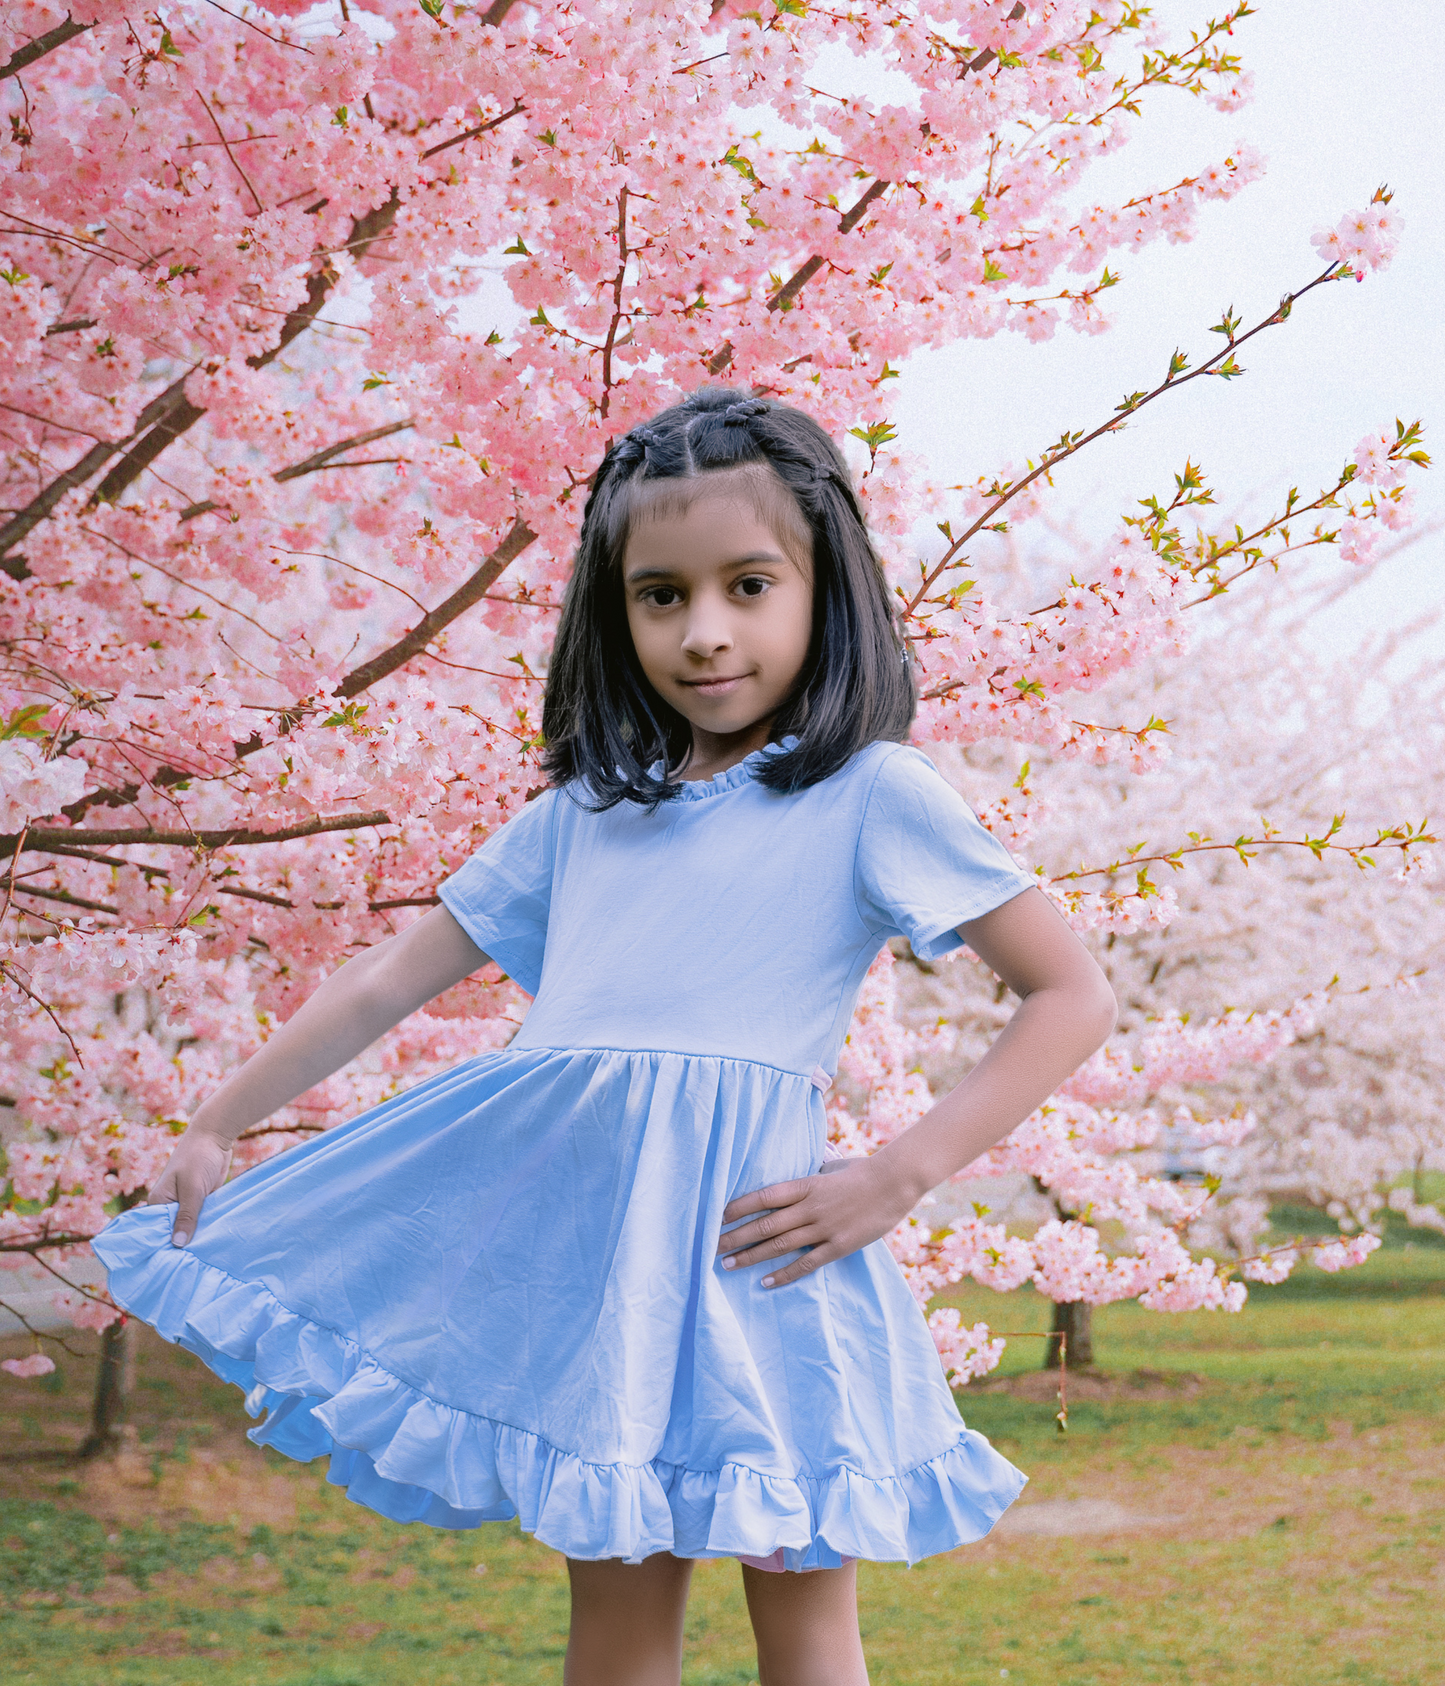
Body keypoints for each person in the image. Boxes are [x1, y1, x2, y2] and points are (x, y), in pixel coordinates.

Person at [94, 387, 1118, 1685]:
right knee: (620, 1629)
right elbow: (384, 979)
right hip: (608, 1285)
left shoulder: (871, 795)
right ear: (612, 608)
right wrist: (216, 1118)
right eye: (660, 594)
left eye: (750, 585)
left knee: (804, 1623)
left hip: (767, 1262)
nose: (703, 632)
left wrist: (897, 1172)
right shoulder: (583, 815)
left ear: (826, 587)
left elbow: (1072, 992)